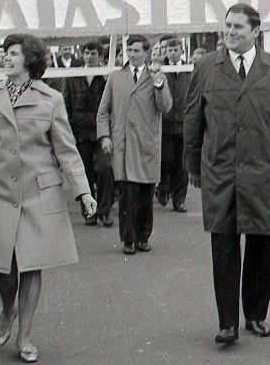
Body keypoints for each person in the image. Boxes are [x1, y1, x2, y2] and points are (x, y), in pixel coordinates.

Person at [0, 33, 97, 364]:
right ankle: (8, 308)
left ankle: (25, 334)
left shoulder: (51, 99)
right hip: (0, 193)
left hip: (39, 193)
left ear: (30, 60)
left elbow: (66, 149)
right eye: (5, 53)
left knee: (32, 265)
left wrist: (83, 191)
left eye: (13, 53)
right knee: (3, 266)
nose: (6, 58)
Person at [184, 3, 270, 345]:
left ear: (256, 31)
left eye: (238, 27)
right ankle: (227, 322)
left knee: (260, 244)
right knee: (223, 246)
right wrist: (193, 165)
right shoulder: (208, 67)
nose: (230, 33)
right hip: (220, 171)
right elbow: (193, 119)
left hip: (264, 171)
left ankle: (255, 315)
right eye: (228, 26)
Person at [96, 35, 172, 254]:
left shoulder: (155, 76)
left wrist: (159, 83)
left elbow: (165, 107)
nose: (132, 54)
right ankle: (128, 240)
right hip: (123, 144)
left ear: (146, 53)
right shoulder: (114, 78)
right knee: (127, 196)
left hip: (146, 144)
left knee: (146, 196)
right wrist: (105, 137)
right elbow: (103, 112)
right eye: (129, 50)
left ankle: (143, 237)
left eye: (137, 51)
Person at [62, 40, 114, 227]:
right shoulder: (73, 76)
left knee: (105, 168)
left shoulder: (106, 76)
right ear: (82, 55)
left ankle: (105, 211)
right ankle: (89, 212)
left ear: (100, 56)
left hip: (102, 131)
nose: (90, 57)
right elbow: (65, 104)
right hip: (80, 131)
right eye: (87, 53)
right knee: (84, 174)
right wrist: (68, 131)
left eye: (93, 54)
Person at [157, 36, 190, 213]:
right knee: (166, 160)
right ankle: (162, 188)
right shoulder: (160, 69)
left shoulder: (189, 69)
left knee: (181, 164)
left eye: (176, 50)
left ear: (181, 51)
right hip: (165, 122)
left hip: (184, 122)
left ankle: (179, 200)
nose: (173, 53)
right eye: (169, 50)